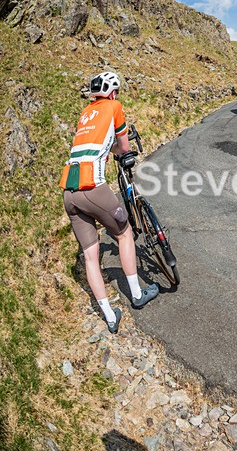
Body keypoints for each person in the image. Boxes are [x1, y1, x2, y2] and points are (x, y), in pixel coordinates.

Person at [60, 72, 159, 333]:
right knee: (124, 233)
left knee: (91, 256)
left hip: (69, 192)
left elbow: (93, 143)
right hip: (93, 187)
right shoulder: (114, 106)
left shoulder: (85, 113)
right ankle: (137, 294)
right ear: (113, 92)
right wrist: (119, 148)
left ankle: (109, 316)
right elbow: (123, 147)